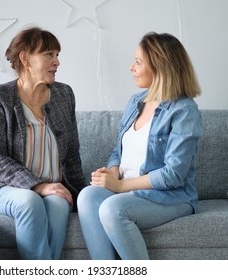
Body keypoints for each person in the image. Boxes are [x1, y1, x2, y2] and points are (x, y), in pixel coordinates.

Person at [0, 27, 86, 260]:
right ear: (25, 58)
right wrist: (37, 186)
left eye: (57, 55)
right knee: (29, 201)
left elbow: (72, 156)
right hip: (0, 186)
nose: (57, 62)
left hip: (52, 187)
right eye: (49, 54)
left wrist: (83, 196)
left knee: (60, 203)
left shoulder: (64, 94)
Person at [77, 32, 203, 260]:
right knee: (87, 196)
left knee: (112, 209)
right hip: (128, 189)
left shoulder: (184, 111)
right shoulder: (136, 102)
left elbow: (172, 175)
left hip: (171, 196)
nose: (131, 67)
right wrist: (112, 172)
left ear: (160, 66)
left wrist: (119, 186)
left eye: (138, 62)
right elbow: (118, 151)